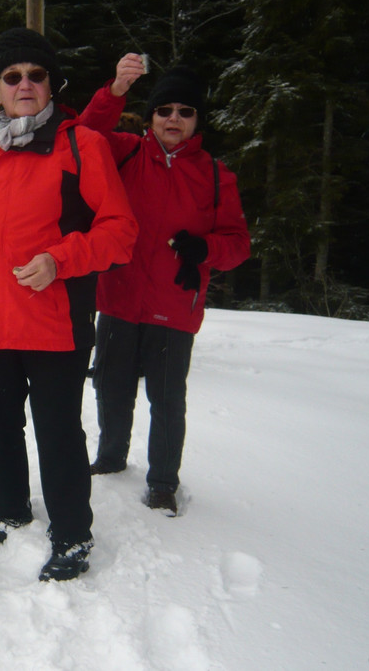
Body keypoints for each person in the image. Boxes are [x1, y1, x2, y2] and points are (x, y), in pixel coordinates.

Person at [0, 28, 139, 581]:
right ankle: (9, 511)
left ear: (51, 84)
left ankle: (71, 533)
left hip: (54, 323)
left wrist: (60, 259)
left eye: (36, 75)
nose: (24, 84)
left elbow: (121, 232)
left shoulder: (82, 145)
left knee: (58, 433)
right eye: (12, 76)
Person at [79, 55, 251, 515]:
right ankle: (111, 457)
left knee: (168, 400)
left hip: (174, 306)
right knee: (110, 386)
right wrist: (115, 91)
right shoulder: (126, 152)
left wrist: (205, 248)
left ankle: (162, 482)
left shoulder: (216, 176)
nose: (174, 119)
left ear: (197, 120)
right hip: (118, 297)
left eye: (185, 111)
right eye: (164, 110)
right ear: (151, 115)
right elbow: (83, 136)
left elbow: (238, 245)